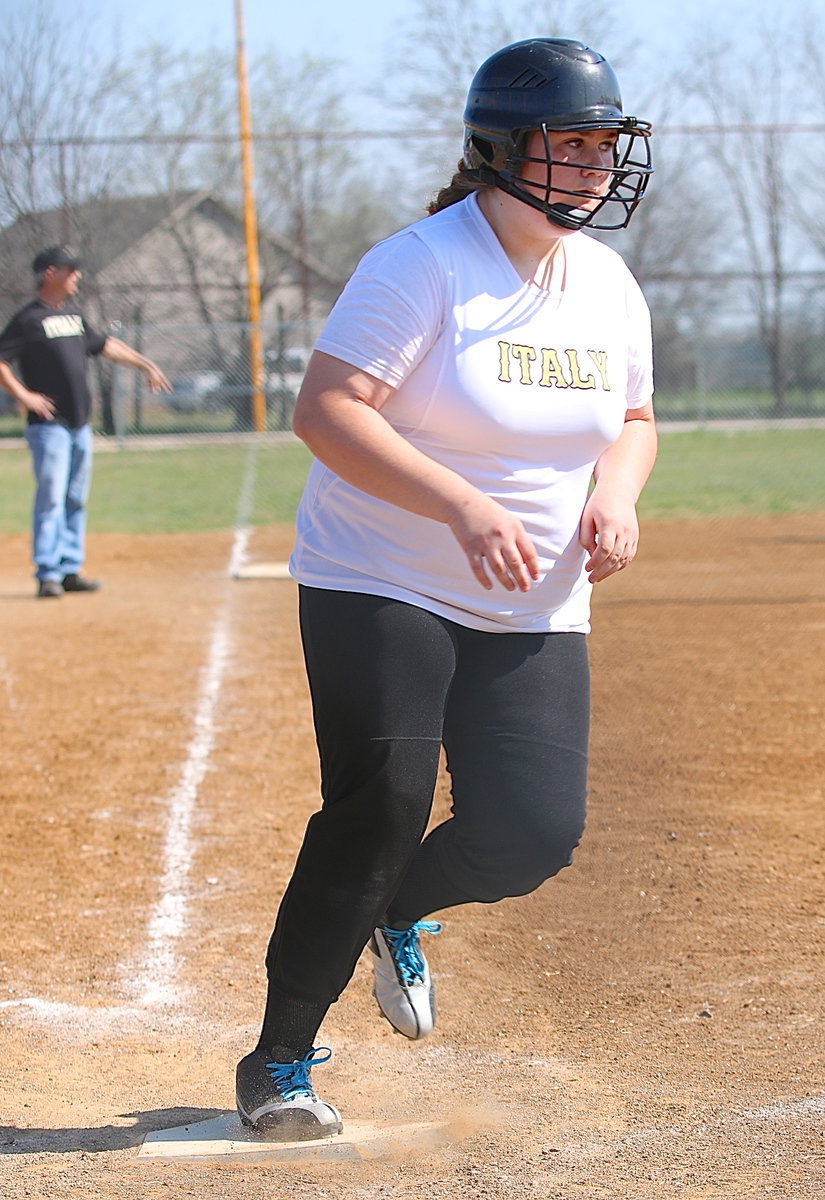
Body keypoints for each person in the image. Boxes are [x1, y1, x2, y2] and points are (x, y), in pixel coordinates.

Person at [236, 36, 657, 1141]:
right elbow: (326, 410)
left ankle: (399, 915)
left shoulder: (607, 284)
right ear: (505, 149)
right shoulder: (423, 264)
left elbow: (634, 422)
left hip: (531, 595)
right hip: (382, 574)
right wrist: (461, 505)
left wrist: (615, 492)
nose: (594, 165)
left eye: (605, 144)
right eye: (571, 143)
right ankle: (280, 1062)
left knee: (532, 832)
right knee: (381, 805)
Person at [0, 245, 171, 597]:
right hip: (49, 427)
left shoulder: (74, 316)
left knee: (75, 497)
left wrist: (146, 364)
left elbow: (106, 345)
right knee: (51, 498)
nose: (76, 275)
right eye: (69, 269)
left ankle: (69, 569)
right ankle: (47, 572)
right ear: (50, 273)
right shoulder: (28, 319)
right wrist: (24, 396)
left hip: (79, 425)